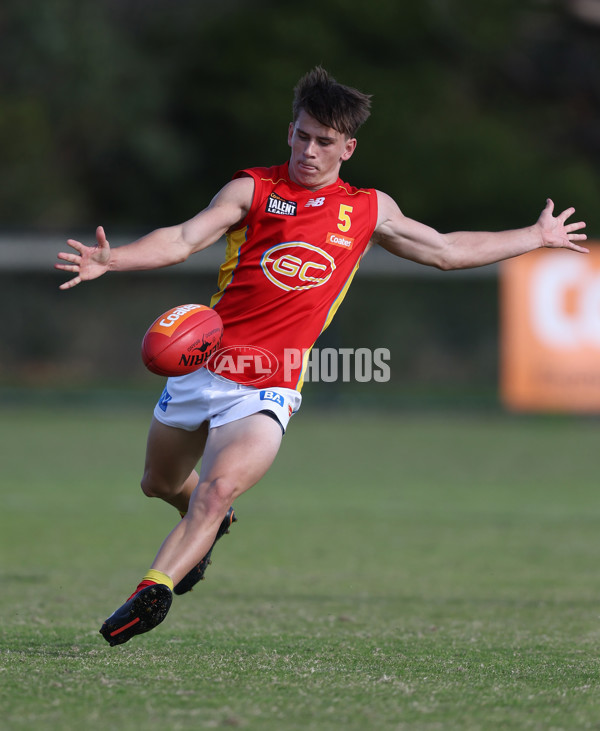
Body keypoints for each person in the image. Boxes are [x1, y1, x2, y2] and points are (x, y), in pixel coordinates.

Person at [55, 66, 588, 646]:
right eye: (303, 136)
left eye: (325, 141)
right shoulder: (252, 190)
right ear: (290, 132)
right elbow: (184, 239)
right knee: (159, 482)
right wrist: (114, 259)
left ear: (348, 147)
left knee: (217, 490)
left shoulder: (366, 209)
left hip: (271, 385)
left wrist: (534, 237)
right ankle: (208, 528)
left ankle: (153, 589)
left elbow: (447, 251)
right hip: (204, 367)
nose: (310, 150)